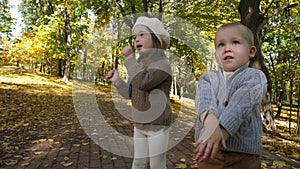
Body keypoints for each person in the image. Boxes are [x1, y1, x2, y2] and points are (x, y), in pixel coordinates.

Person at [194, 22, 267, 169]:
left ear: (251, 51)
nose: (227, 48)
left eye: (235, 42)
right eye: (221, 45)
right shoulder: (208, 77)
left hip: (244, 155)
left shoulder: (255, 77)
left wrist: (221, 131)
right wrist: (210, 124)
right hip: (209, 152)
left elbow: (240, 105)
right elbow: (204, 100)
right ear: (215, 54)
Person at [106, 16, 172, 169]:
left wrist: (129, 58)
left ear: (156, 39)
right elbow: (130, 92)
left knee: (156, 165)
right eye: (135, 37)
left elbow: (143, 82)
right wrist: (117, 81)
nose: (136, 40)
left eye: (142, 35)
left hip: (157, 126)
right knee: (138, 162)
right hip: (139, 123)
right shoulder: (138, 64)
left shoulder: (162, 64)